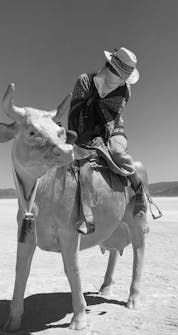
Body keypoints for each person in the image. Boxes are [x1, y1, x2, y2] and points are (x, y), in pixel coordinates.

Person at [68, 47, 147, 234]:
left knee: (118, 153)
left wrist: (101, 139)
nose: (118, 78)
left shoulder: (124, 91)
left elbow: (112, 116)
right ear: (109, 65)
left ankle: (139, 194)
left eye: (122, 76)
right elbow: (76, 111)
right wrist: (84, 137)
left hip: (112, 130)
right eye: (115, 71)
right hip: (83, 129)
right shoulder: (85, 81)